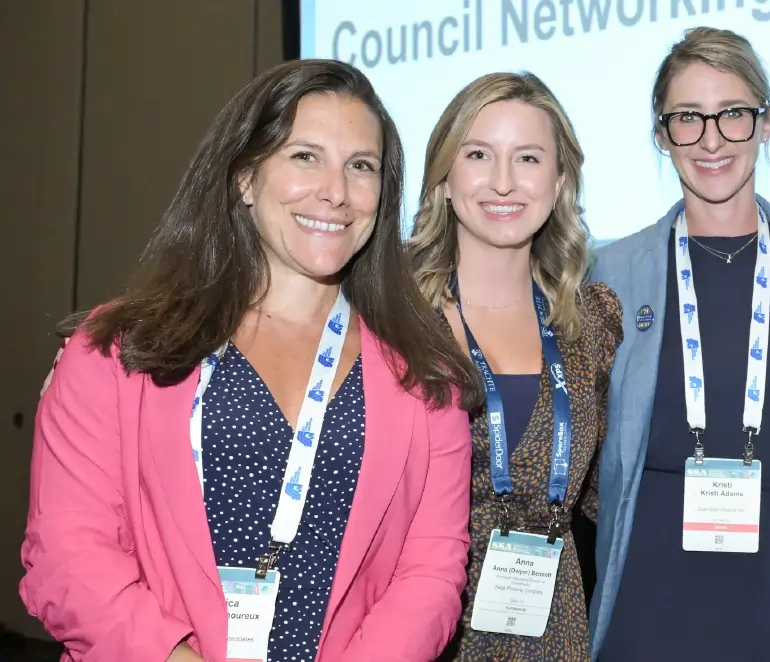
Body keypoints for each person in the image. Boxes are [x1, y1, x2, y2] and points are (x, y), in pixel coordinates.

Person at [23, 59, 482, 662]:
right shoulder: (114, 352)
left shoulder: (429, 382)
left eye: (360, 166)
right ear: (244, 177)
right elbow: (69, 557)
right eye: (304, 156)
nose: (336, 192)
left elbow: (430, 575)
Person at [588, 27, 770, 660]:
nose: (712, 140)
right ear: (661, 134)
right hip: (651, 595)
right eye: (687, 119)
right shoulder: (611, 270)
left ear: (766, 122)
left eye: (732, 114)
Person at [406, 71, 623, 661]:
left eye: (528, 158)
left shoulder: (592, 325)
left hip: (554, 638)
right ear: (445, 178)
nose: (503, 181)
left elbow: (610, 492)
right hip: (419, 636)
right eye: (479, 154)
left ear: (558, 183)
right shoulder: (390, 317)